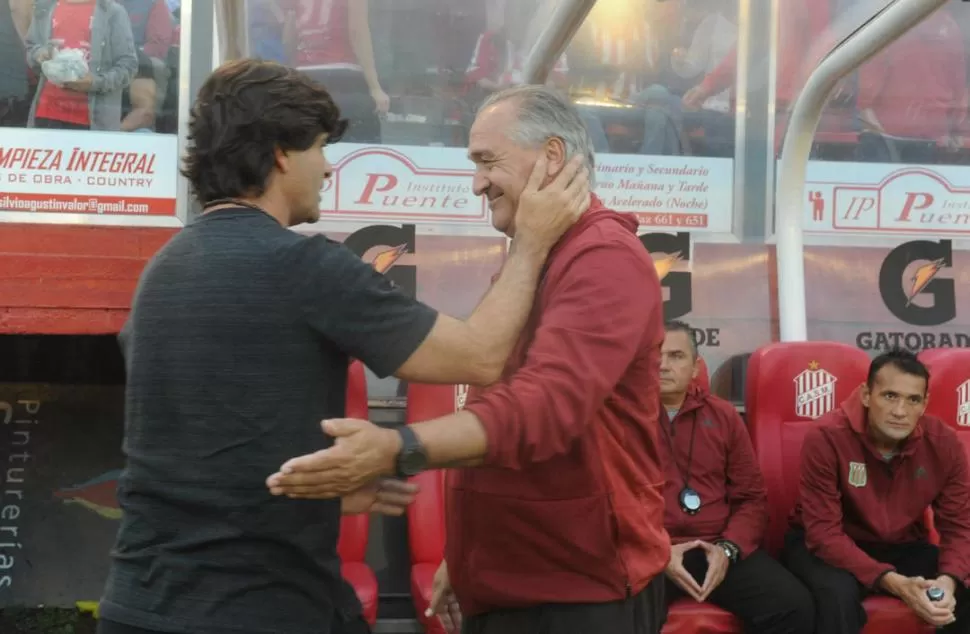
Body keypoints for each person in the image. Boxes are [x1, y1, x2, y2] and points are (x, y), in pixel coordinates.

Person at [96, 60, 589, 634]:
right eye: (321, 149)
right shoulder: (303, 266)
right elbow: (481, 356)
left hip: (138, 606)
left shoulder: (164, 270)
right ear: (282, 153)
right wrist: (531, 243)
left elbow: (202, 453)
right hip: (258, 610)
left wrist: (318, 502)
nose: (328, 168)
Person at [268, 84, 670, 634]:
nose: (477, 181)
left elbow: (545, 407)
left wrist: (397, 447)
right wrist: (468, 556)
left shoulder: (603, 257)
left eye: (487, 160)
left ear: (552, 157)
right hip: (510, 584)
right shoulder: (534, 254)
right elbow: (495, 392)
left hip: (577, 595)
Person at [784, 348, 970, 633]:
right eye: (890, 396)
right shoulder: (826, 436)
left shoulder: (945, 443)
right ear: (866, 395)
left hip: (900, 545)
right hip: (824, 546)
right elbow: (823, 534)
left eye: (913, 400)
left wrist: (949, 579)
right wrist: (891, 580)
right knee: (836, 596)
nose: (900, 411)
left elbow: (960, 526)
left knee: (961, 584)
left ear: (924, 404)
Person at [657, 321, 814, 634]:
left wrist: (728, 549)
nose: (662, 365)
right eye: (654, 355)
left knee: (794, 606)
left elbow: (752, 498)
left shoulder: (723, 416)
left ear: (695, 367)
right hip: (653, 551)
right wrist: (657, 550)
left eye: (676, 356)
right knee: (610, 611)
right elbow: (613, 502)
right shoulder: (621, 419)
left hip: (719, 546)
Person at [26, 0, 137, 131]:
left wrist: (94, 83)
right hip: (46, 115)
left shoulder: (112, 12)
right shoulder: (44, 8)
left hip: (94, 124)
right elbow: (31, 47)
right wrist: (40, 54)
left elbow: (128, 66)